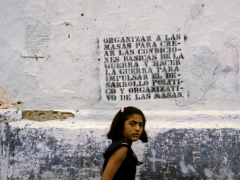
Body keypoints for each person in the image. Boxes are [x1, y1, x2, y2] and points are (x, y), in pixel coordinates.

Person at [101, 106, 148, 180]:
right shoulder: (122, 148)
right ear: (121, 125)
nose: (137, 129)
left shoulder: (120, 145)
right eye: (132, 124)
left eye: (141, 125)